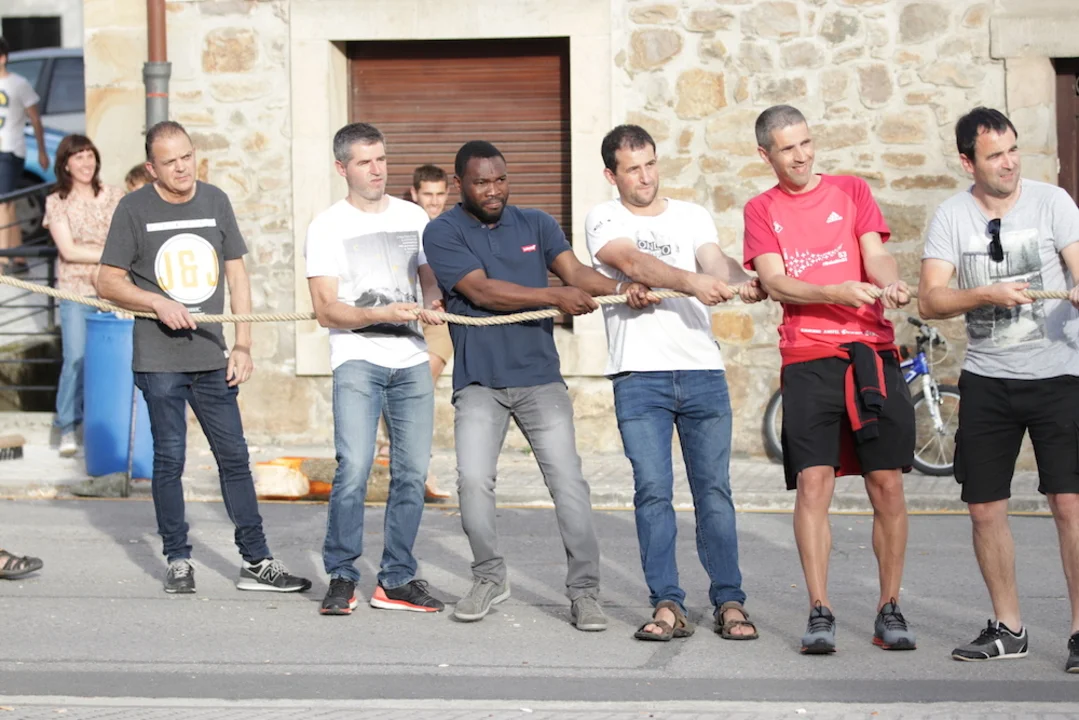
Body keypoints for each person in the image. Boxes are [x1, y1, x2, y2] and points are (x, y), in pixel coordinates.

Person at [423, 140, 654, 630]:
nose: (493, 190)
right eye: (481, 182)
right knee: (472, 482)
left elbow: (576, 273)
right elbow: (481, 291)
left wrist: (621, 288)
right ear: (459, 184)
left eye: (500, 179)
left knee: (569, 484)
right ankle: (489, 577)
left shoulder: (537, 223)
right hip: (480, 382)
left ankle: (585, 593)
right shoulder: (442, 231)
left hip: (540, 379)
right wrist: (555, 296)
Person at [97, 121, 310, 596]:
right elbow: (107, 281)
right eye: (169, 161)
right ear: (151, 167)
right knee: (169, 460)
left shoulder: (215, 201)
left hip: (213, 356)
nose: (182, 168)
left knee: (234, 457)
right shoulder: (133, 209)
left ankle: (256, 561)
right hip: (158, 360)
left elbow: (238, 276)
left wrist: (244, 344)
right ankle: (178, 559)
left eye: (187, 156)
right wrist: (156, 302)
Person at [742, 105, 917, 655]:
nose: (801, 156)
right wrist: (835, 292)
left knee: (886, 483)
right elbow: (776, 282)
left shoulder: (851, 190)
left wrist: (891, 282)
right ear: (765, 155)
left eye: (806, 142)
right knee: (813, 483)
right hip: (807, 357)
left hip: (871, 354)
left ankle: (890, 607)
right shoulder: (760, 208)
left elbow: (877, 255)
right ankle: (820, 610)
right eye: (788, 148)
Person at [586, 124, 764, 642]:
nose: (645, 177)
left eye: (650, 164)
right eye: (632, 169)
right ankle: (667, 603)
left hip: (702, 371)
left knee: (715, 492)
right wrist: (693, 283)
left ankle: (730, 600)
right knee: (653, 492)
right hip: (640, 376)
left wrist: (741, 280)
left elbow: (714, 261)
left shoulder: (691, 214)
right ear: (611, 175)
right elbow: (632, 262)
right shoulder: (604, 217)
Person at [918, 107, 1079, 673]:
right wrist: (985, 294)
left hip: (1059, 375)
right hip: (988, 380)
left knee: (1069, 503)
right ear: (969, 162)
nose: (1009, 163)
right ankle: (1009, 628)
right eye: (995, 155)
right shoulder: (951, 216)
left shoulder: (1053, 202)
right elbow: (931, 299)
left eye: (1013, 150)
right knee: (984, 508)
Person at [306, 122, 446, 616]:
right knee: (354, 469)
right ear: (342, 168)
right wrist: (380, 313)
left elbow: (429, 281)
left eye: (381, 159)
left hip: (411, 361)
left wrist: (432, 302)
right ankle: (342, 576)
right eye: (365, 162)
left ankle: (396, 579)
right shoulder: (327, 225)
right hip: (357, 360)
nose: (376, 170)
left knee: (412, 474)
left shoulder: (414, 216)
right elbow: (326, 310)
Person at [374, 163, 453, 502]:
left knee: (421, 383)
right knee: (401, 387)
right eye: (428, 194)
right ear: (414, 193)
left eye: (440, 194)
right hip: (401, 314)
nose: (434, 201)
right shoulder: (400, 222)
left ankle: (414, 463)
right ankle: (402, 460)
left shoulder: (451, 227)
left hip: (437, 317)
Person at [43, 135, 124, 458]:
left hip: (113, 289)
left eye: (90, 155)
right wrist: (109, 254)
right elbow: (69, 250)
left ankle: (107, 424)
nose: (86, 162)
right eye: (78, 157)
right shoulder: (57, 202)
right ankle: (67, 425)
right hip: (75, 291)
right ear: (65, 164)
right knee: (76, 357)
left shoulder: (114, 196)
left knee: (113, 361)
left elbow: (126, 239)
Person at [0, 36, 49, 274]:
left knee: (3, 202)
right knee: (7, 204)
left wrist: (41, 151)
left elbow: (35, 119)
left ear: (3, 58)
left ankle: (2, 259)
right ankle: (18, 256)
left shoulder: (19, 84)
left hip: (10, 149)